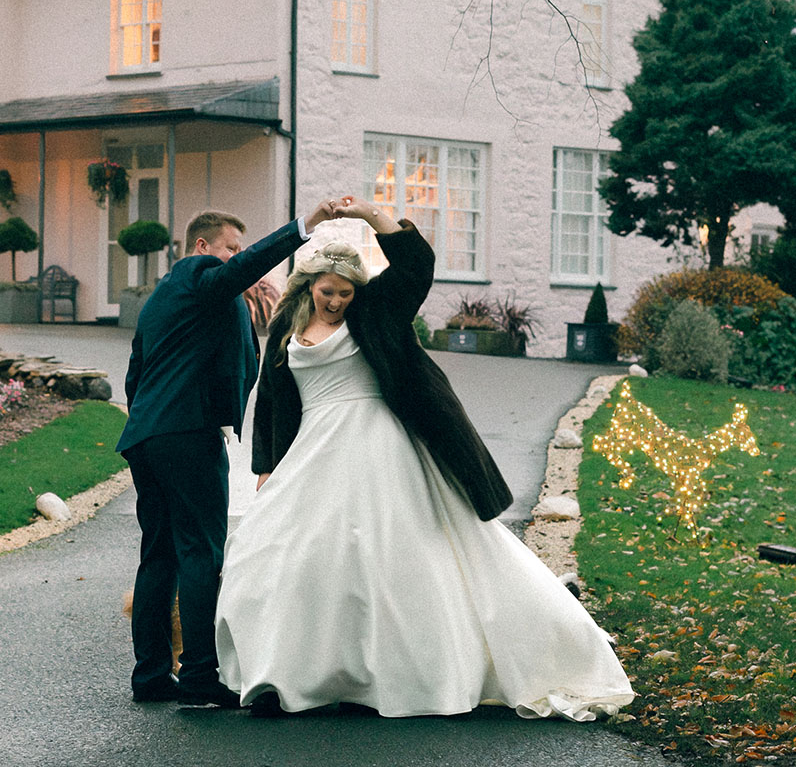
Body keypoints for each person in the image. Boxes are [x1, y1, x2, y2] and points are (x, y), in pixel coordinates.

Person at [215, 196, 635, 719]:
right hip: (312, 448)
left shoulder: (375, 310)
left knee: (388, 553)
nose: (337, 302)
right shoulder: (284, 329)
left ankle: (398, 672)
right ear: (309, 285)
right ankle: (296, 672)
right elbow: (273, 399)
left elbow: (416, 265)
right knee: (285, 549)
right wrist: (266, 467)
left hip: (378, 440)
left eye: (346, 293)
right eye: (328, 291)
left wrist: (371, 216)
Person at [116, 200, 335, 707]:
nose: (236, 257)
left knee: (160, 554)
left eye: (238, 248)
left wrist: (150, 423)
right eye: (230, 247)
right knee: (201, 551)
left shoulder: (162, 295)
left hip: (148, 435)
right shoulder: (202, 273)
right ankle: (196, 675)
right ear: (201, 247)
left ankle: (150, 675)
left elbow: (136, 371)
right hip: (187, 434)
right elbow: (241, 270)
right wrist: (306, 227)